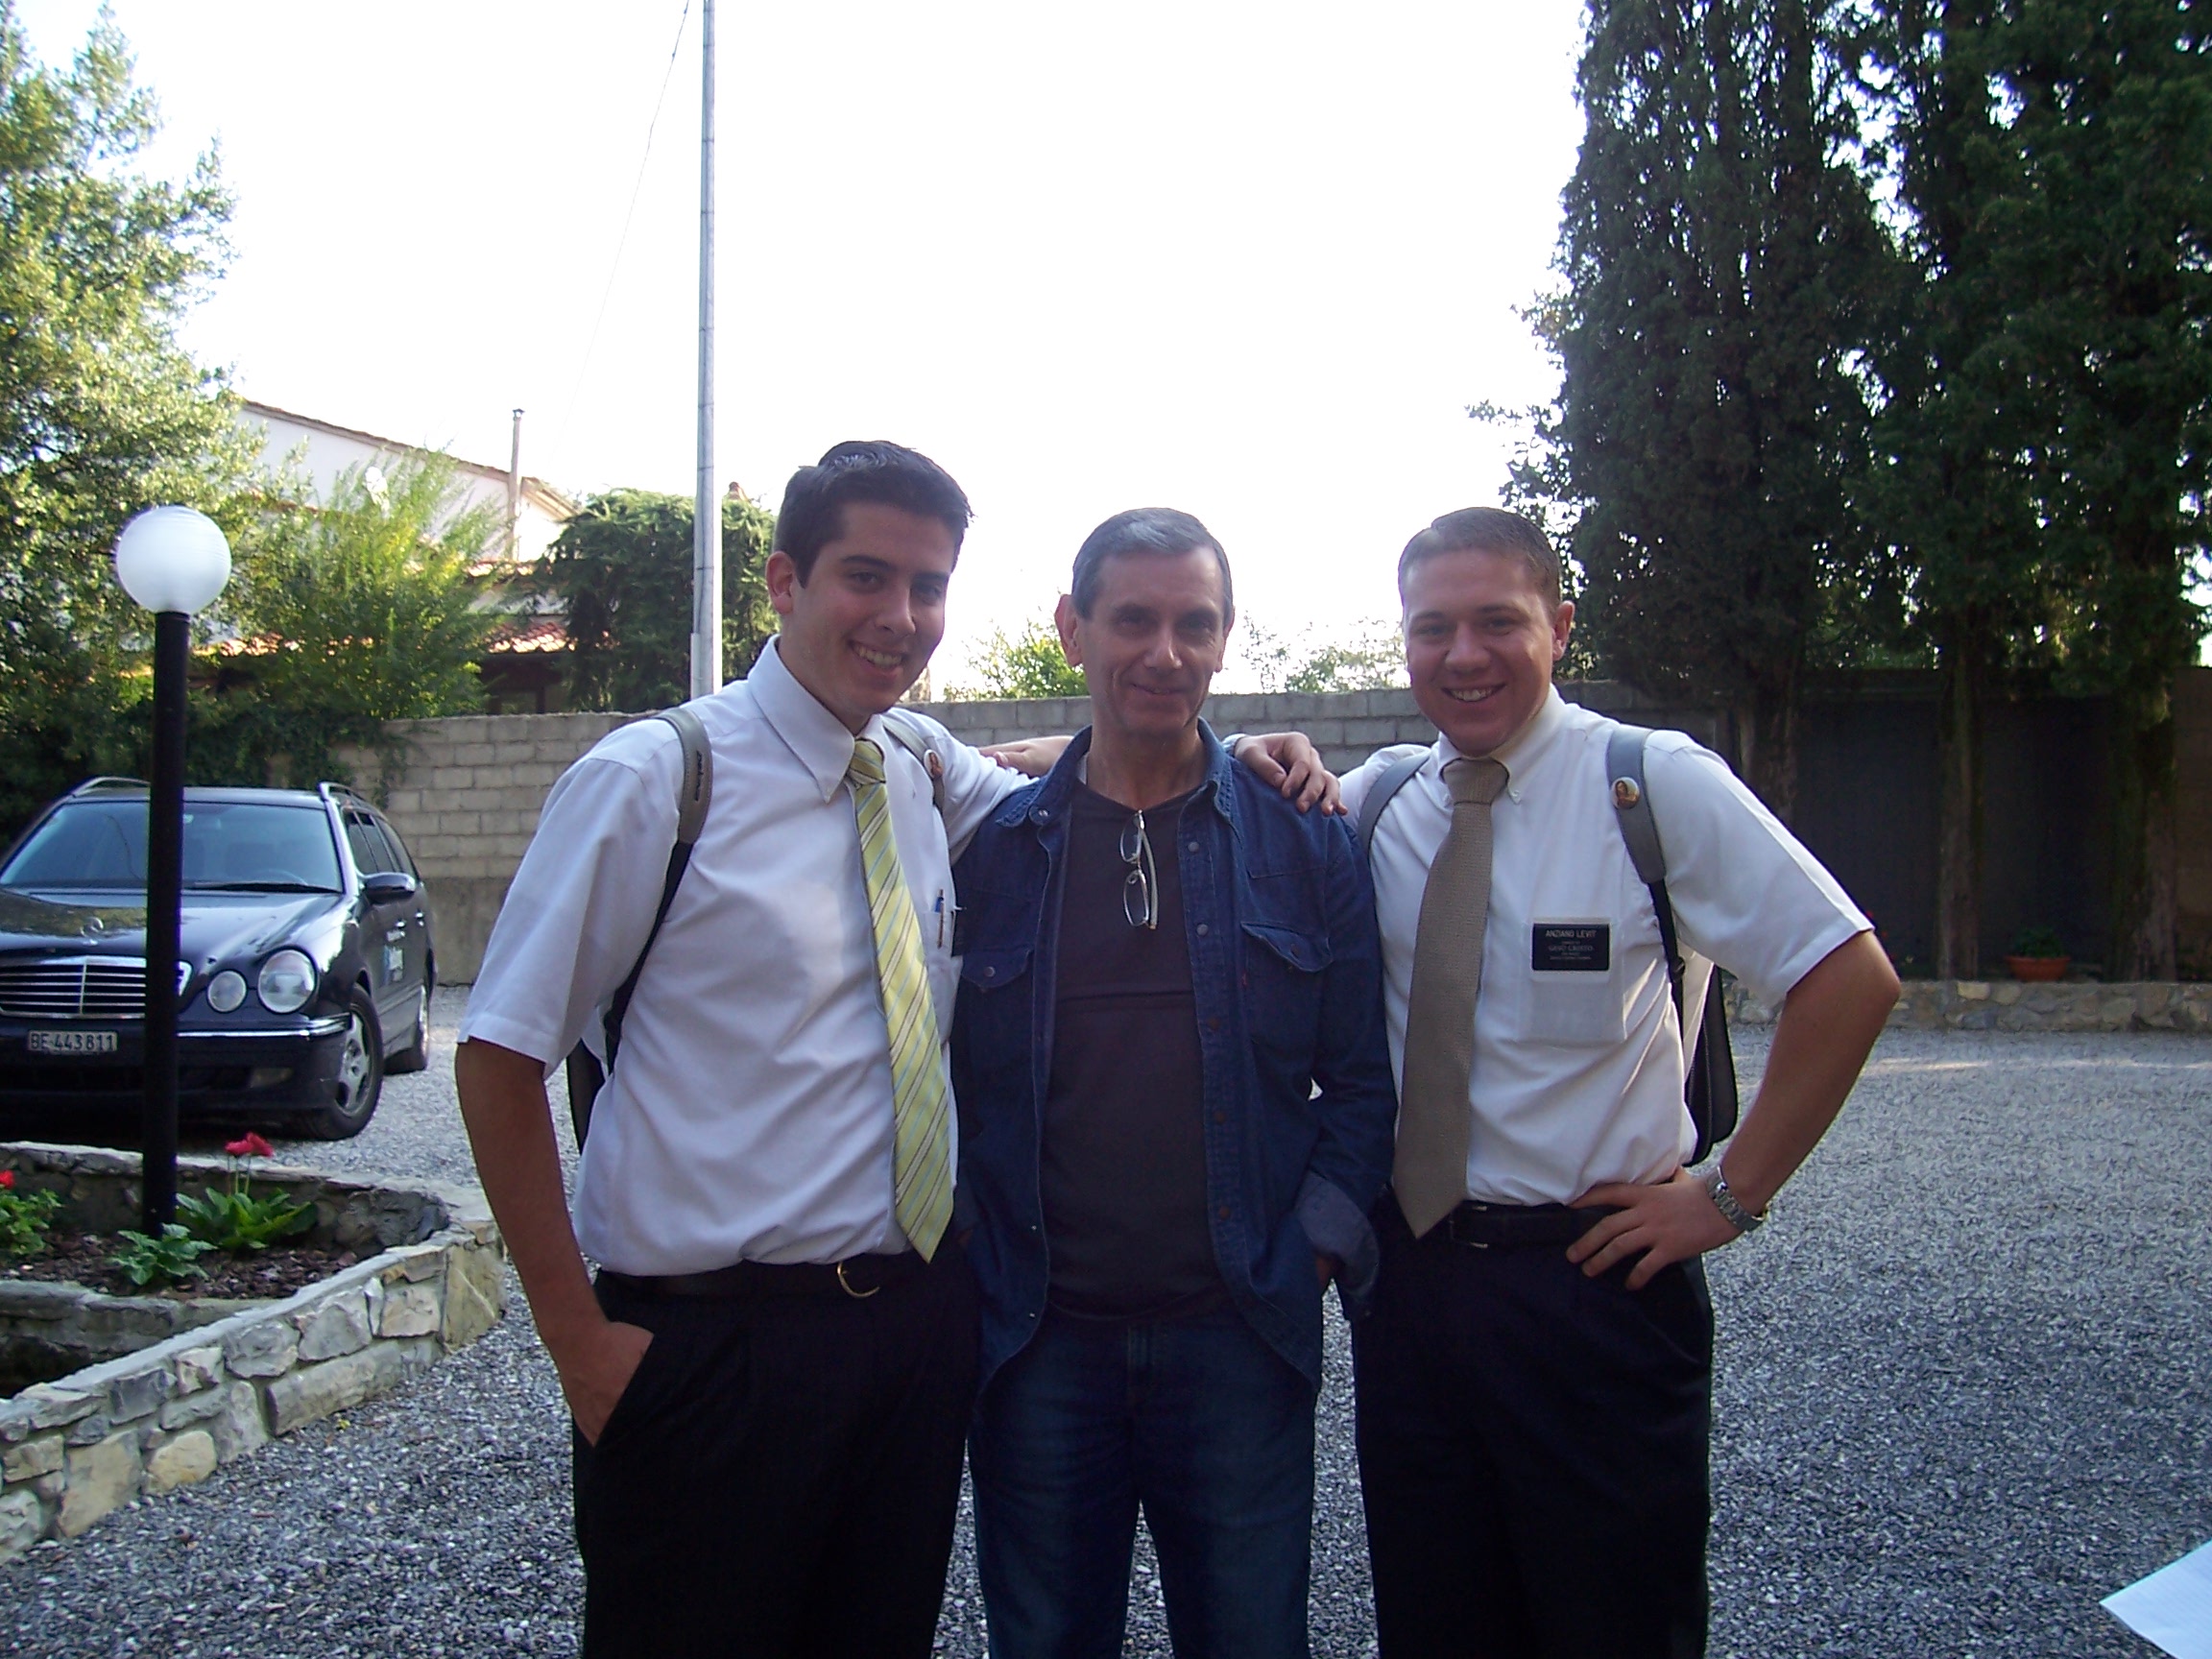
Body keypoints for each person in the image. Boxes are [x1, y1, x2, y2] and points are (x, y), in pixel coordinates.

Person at [454, 444, 1334, 1658]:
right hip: (714, 1345)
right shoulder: (661, 779)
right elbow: (498, 1056)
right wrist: (578, 1346)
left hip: (911, 1341)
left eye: (928, 588)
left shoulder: (918, 773)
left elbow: (1096, 773)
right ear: (783, 581)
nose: (901, 618)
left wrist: (1256, 752)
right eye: (867, 577)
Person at [1340, 507, 1901, 1659]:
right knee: (1437, 1621)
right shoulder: (1385, 801)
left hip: (1593, 1291)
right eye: (1431, 627)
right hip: (1413, 1292)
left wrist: (1729, 1195)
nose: (1463, 655)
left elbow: (1850, 978)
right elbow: (1190, 780)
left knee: (1615, 1622)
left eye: (1498, 620)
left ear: (1560, 625)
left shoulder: (1649, 786)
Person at [951, 508, 1399, 1659]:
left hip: (1238, 1337)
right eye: (1132, 620)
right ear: (1071, 630)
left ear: (1224, 638)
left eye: (1192, 624)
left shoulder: (1307, 841)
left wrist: (1310, 1251)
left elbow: (1360, 1082)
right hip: (1041, 1341)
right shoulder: (990, 847)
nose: (1164, 652)